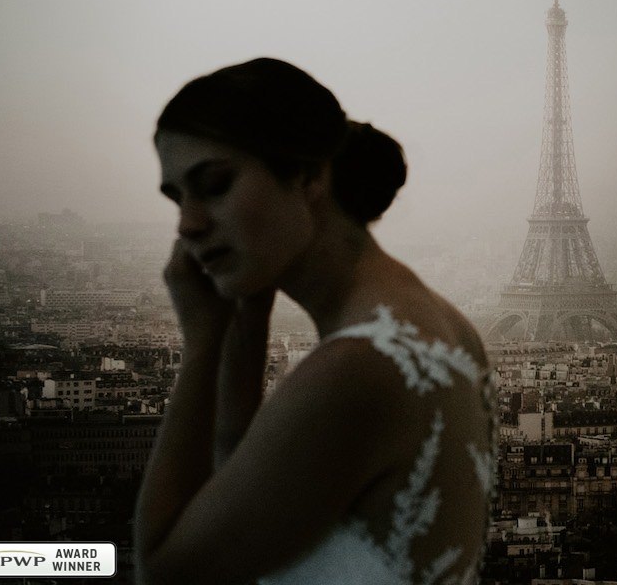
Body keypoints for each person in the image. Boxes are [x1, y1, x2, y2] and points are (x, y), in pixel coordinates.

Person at [134, 58, 496, 585]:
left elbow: (165, 572)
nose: (188, 224)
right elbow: (236, 487)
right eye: (177, 198)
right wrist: (246, 324)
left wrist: (202, 343)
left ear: (307, 176)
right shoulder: (437, 323)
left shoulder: (356, 368)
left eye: (213, 184)